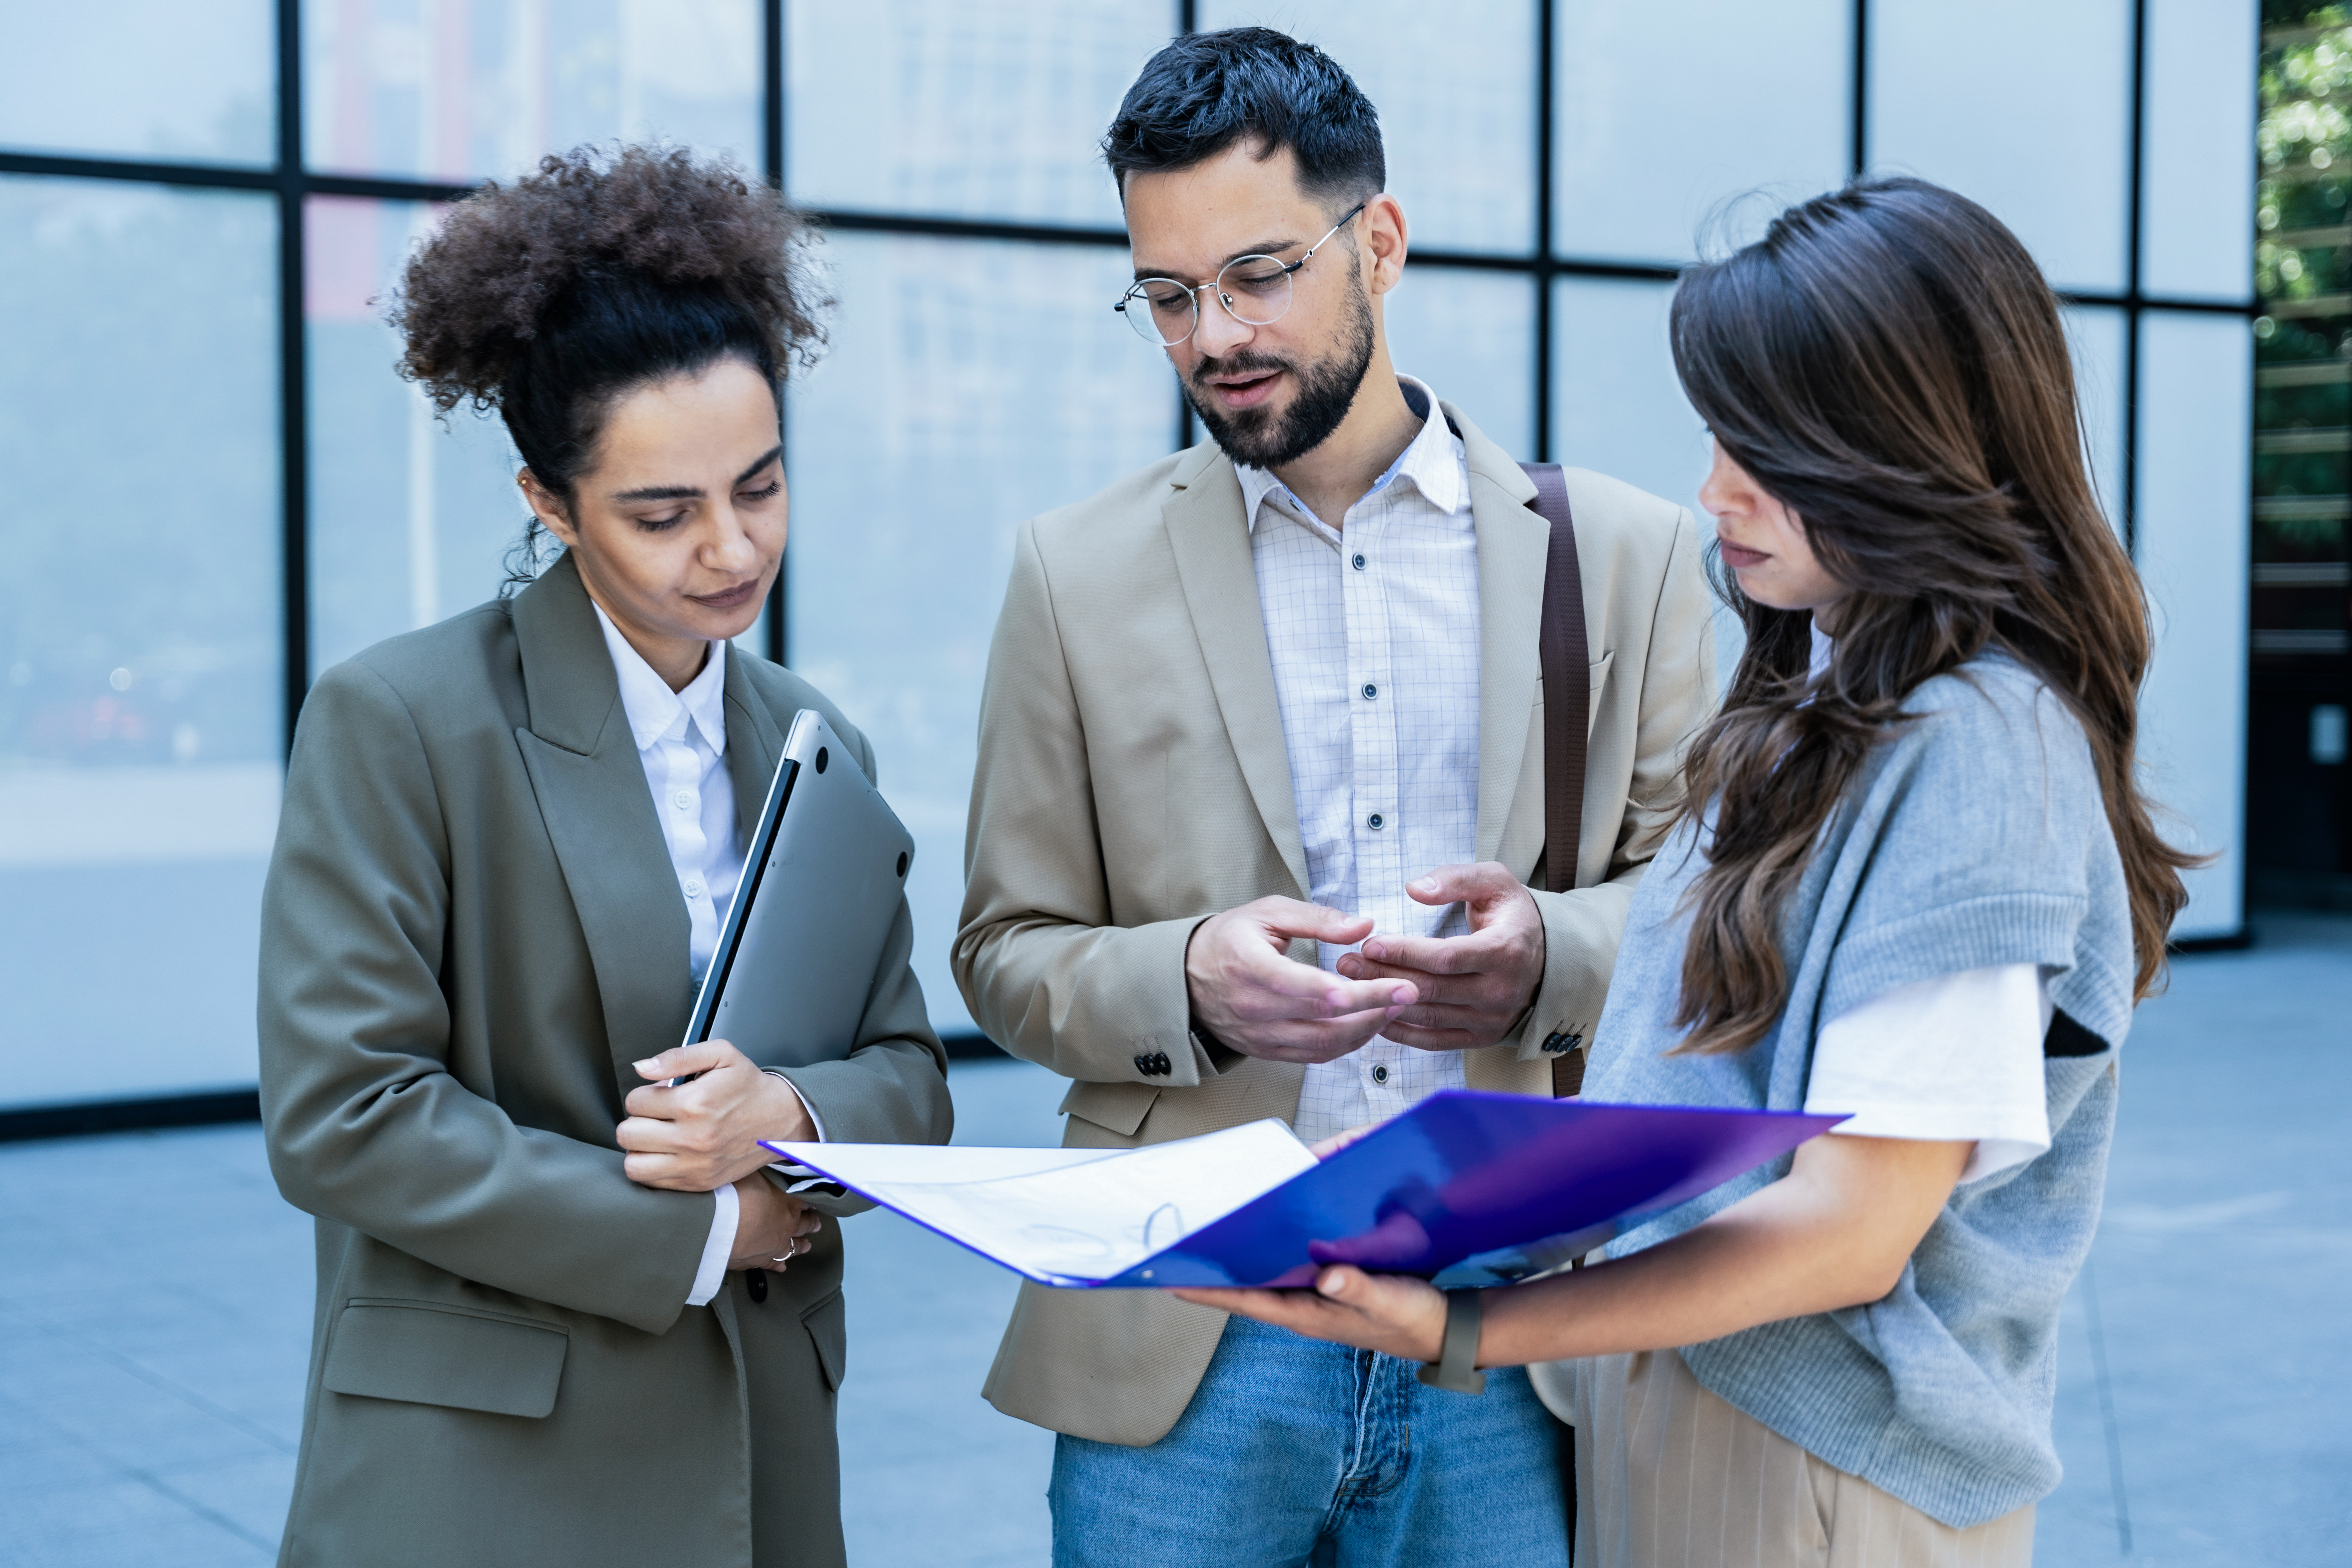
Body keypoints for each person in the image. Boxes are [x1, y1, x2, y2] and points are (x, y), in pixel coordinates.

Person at [1178, 176, 2201, 1567]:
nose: (1716, 490)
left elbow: (1852, 1231)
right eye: (1719, 434)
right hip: (1704, 1410)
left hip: (1814, 1453)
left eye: (1771, 455)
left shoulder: (1977, 740)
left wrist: (1468, 1327)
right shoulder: (1832, 691)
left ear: (1913, 450)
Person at [953, 29, 1715, 1566]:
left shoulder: (1625, 556)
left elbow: (1713, 916)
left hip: (1511, 1322)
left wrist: (1548, 955)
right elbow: (1003, 949)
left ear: (1380, 243)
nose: (1214, 334)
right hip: (1186, 1326)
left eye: (1257, 275)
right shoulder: (1070, 572)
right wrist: (1188, 978)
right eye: (1169, 296)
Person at [257, 147, 952, 1568]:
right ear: (548, 499)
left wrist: (791, 1114)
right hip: (489, 1467)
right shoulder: (402, 719)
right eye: (662, 512)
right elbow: (346, 1110)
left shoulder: (814, 737)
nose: (732, 549)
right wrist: (708, 1233)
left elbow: (908, 1071)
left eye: (761, 486)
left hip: (759, 1444)